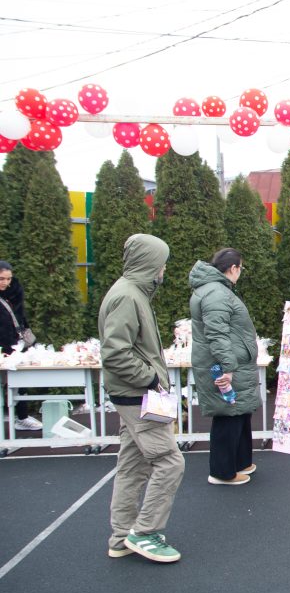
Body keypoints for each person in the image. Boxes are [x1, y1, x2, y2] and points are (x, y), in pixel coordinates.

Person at [98, 234, 184, 563]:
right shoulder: (127, 296)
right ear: (150, 264)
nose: (164, 270)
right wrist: (150, 378)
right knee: (170, 463)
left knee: (132, 466)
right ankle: (145, 532)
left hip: (134, 395)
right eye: (162, 263)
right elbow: (115, 353)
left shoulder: (130, 292)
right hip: (138, 396)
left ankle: (121, 536)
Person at [189, 248, 260, 485]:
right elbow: (216, 334)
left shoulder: (216, 290)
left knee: (239, 411)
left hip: (235, 361)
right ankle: (222, 472)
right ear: (233, 268)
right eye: (241, 268)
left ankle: (240, 462)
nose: (241, 272)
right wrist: (228, 367)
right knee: (228, 413)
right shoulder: (216, 293)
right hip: (226, 364)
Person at [0, 261, 42, 430]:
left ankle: (22, 417)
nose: (5, 282)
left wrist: (28, 340)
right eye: (1, 279)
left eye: (8, 278)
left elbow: (20, 318)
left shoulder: (15, 293)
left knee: (19, 382)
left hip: (14, 343)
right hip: (3, 344)